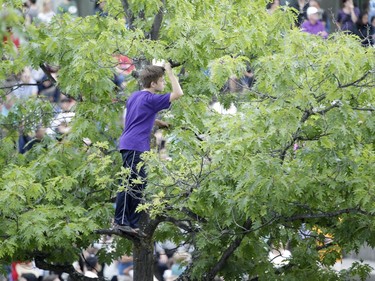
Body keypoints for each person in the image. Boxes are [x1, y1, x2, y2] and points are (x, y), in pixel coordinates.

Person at [113, 62, 184, 236]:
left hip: (133, 144)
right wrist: (169, 72)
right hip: (134, 145)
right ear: (153, 84)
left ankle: (131, 223)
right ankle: (120, 220)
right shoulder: (152, 99)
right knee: (129, 183)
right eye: (161, 81)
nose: (163, 83)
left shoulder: (135, 96)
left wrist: (158, 122)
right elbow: (178, 93)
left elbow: (139, 116)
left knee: (139, 183)